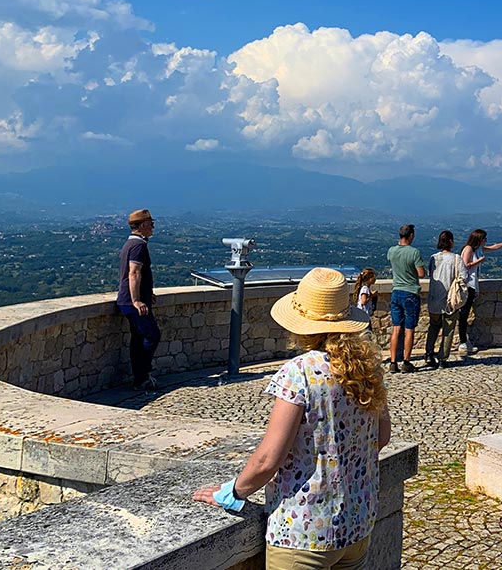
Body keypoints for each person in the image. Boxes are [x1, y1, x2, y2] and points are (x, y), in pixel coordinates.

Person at [193, 268, 391, 569]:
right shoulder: (366, 369)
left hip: (304, 534)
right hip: (357, 524)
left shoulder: (300, 372)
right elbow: (383, 436)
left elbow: (268, 459)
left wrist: (231, 492)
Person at [116, 208, 161, 391]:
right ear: (142, 225)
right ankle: (142, 375)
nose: (153, 228)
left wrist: (146, 293)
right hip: (132, 302)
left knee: (138, 338)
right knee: (152, 335)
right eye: (151, 224)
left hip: (127, 300)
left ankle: (140, 377)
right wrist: (137, 300)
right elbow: (133, 273)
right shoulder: (138, 246)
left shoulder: (130, 245)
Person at [457, 228, 502, 356]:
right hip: (467, 285)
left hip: (472, 285)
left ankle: (465, 341)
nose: (486, 241)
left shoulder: (477, 249)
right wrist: (479, 261)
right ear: (479, 239)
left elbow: (493, 247)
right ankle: (462, 341)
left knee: (465, 313)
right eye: (484, 239)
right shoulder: (468, 249)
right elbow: (465, 265)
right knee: (463, 314)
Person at [387, 223, 426, 373]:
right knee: (409, 329)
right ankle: (406, 362)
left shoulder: (391, 251)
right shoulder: (414, 252)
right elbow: (421, 273)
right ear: (411, 236)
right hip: (410, 293)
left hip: (396, 292)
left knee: (396, 329)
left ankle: (392, 362)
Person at [425, 230, 463, 368]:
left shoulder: (433, 258)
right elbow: (463, 277)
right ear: (451, 242)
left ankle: (428, 353)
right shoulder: (456, 259)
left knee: (433, 326)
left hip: (434, 298)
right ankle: (442, 358)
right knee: (448, 329)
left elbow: (430, 274)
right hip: (450, 300)